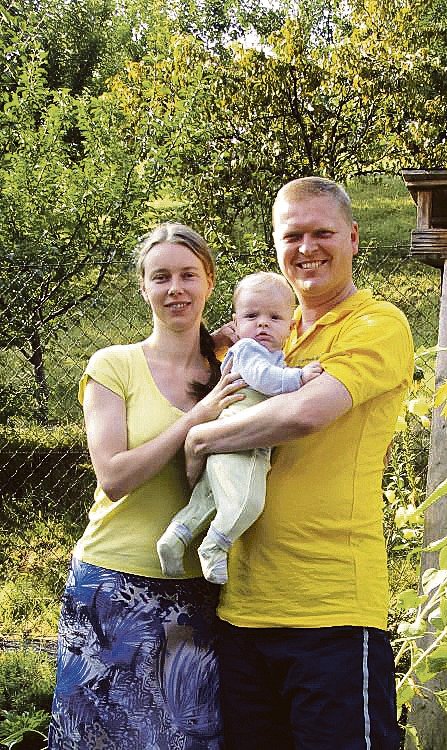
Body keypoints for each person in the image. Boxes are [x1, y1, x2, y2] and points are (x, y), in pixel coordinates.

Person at [184, 177, 414, 750]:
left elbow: (305, 414)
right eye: (293, 236)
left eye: (322, 232)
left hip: (331, 612)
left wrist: (202, 438)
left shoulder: (375, 324)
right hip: (241, 608)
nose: (307, 248)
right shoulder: (273, 337)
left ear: (354, 237)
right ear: (276, 245)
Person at [48, 223, 245, 750]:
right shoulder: (114, 365)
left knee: (186, 739)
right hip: (111, 585)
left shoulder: (232, 368)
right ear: (144, 288)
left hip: (196, 589)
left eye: (187, 275)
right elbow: (114, 477)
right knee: (100, 740)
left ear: (209, 281)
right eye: (161, 277)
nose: (175, 289)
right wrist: (197, 416)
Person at [157, 271, 322, 584]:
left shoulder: (275, 357)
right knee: (247, 503)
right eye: (251, 316)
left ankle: (175, 539)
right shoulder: (248, 352)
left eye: (274, 317)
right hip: (239, 445)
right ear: (236, 324)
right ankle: (214, 548)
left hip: (227, 443)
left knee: (206, 502)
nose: (262, 323)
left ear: (290, 326)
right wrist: (299, 378)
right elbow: (263, 379)